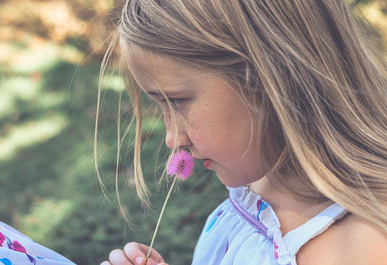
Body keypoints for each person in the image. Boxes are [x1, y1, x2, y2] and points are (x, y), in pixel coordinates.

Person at [100, 0, 387, 264]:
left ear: (273, 76)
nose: (172, 139)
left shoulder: (361, 250)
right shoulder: (251, 194)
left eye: (176, 101)